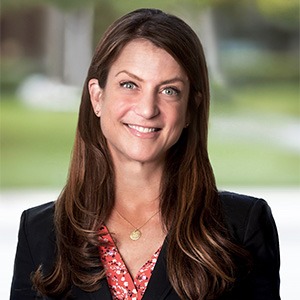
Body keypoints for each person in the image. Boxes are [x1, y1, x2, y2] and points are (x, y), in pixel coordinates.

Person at [10, 8, 280, 300]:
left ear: (190, 108)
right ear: (97, 97)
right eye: (129, 85)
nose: (147, 109)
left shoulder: (242, 226)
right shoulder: (39, 232)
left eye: (169, 91)